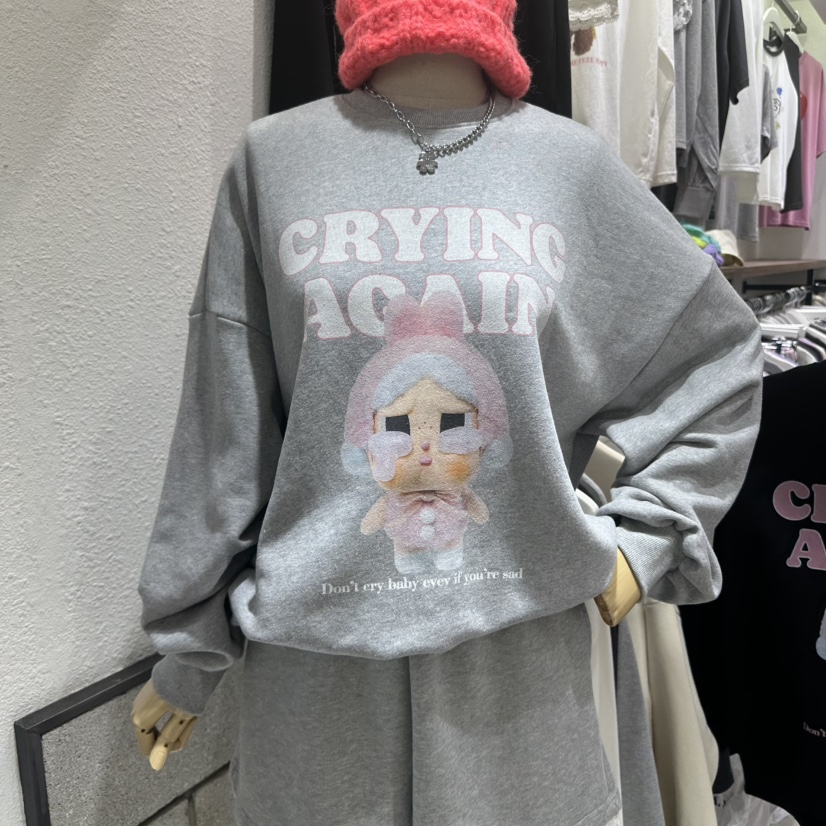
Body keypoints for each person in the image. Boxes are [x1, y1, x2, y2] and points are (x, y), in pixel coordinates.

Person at [133, 2, 764, 823]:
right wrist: (190, 654)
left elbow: (716, 353)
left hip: (522, 684)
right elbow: (227, 425)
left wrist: (645, 541)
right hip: (317, 688)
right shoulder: (272, 159)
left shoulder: (569, 164)